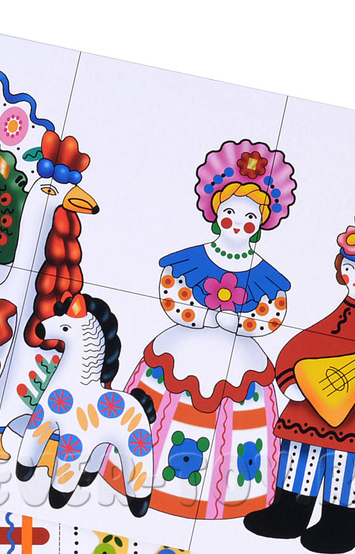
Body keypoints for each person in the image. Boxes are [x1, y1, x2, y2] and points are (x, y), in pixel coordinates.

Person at [101, 140, 296, 519]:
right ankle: (139, 475)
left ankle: (229, 494)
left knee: (238, 422)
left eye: (249, 216)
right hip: (182, 348)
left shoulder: (264, 273)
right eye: (230, 211)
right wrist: (202, 317)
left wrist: (239, 324)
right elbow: (172, 291)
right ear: (215, 211)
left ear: (261, 223)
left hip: (239, 359)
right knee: (159, 407)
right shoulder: (192, 258)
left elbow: (272, 313)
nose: (238, 222)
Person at [244, 210, 355, 553]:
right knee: (298, 464)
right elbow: (296, 350)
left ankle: (339, 528)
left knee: (348, 473)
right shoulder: (331, 322)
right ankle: (287, 516)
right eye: (350, 268)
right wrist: (291, 381)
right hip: (308, 414)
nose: (354, 278)